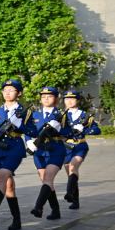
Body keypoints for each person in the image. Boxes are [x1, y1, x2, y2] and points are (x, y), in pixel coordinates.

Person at [0, 79, 32, 230]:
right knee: (8, 185)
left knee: (1, 177)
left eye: (11, 90)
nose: (7, 93)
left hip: (14, 148)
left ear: (19, 93)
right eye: (5, 90)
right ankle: (17, 220)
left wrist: (21, 126)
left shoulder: (24, 111)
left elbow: (32, 130)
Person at [25, 87, 72, 220]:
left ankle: (38, 207)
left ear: (56, 99)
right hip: (39, 151)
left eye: (49, 96)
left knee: (47, 178)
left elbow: (69, 133)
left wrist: (59, 129)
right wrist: (28, 141)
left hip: (55, 149)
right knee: (46, 181)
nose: (46, 98)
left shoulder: (62, 114)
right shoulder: (34, 114)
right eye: (43, 96)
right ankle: (55, 211)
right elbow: (28, 131)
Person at [61, 89, 100, 209]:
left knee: (73, 167)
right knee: (70, 173)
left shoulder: (85, 115)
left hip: (80, 146)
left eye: (72, 98)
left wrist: (84, 129)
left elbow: (97, 130)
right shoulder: (61, 115)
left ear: (77, 100)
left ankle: (68, 192)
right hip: (66, 147)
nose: (69, 101)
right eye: (67, 99)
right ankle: (75, 201)